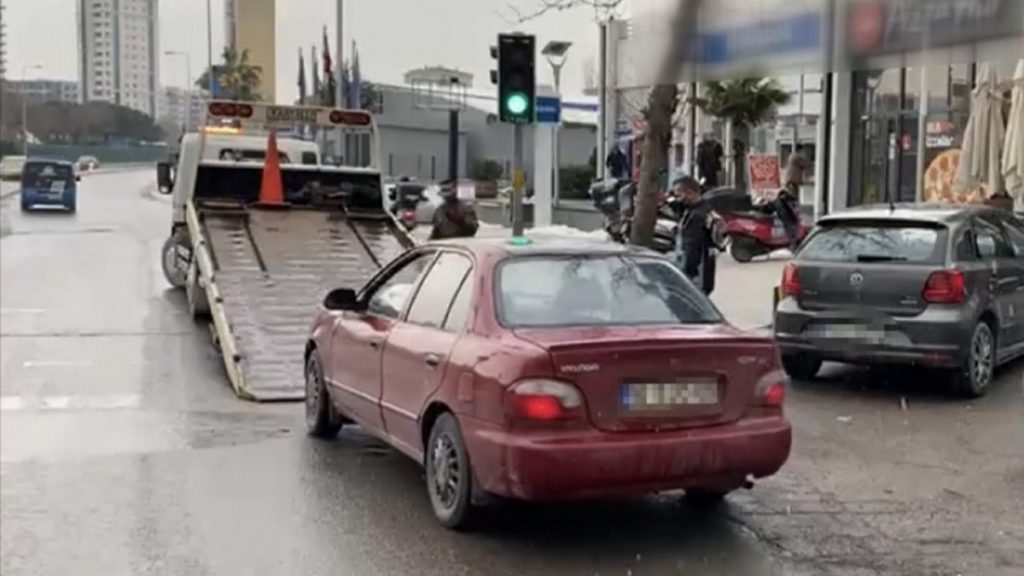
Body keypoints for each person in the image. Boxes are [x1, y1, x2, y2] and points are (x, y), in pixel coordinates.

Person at [671, 176, 717, 295]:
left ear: (689, 193)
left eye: (678, 195)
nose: (677, 199)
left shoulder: (697, 216)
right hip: (706, 271)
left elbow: (692, 248)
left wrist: (686, 274)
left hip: (696, 275)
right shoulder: (706, 209)